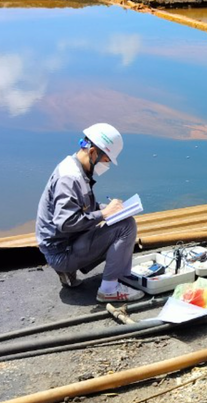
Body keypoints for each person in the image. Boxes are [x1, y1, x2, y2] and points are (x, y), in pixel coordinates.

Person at [35, 123, 144, 303]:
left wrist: (105, 209)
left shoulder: (74, 167)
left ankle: (68, 272)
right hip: (62, 252)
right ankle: (109, 289)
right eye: (105, 160)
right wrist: (104, 214)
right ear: (93, 152)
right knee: (126, 226)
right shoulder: (71, 178)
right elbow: (66, 222)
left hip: (60, 246)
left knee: (119, 219)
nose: (105, 165)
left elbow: (82, 206)